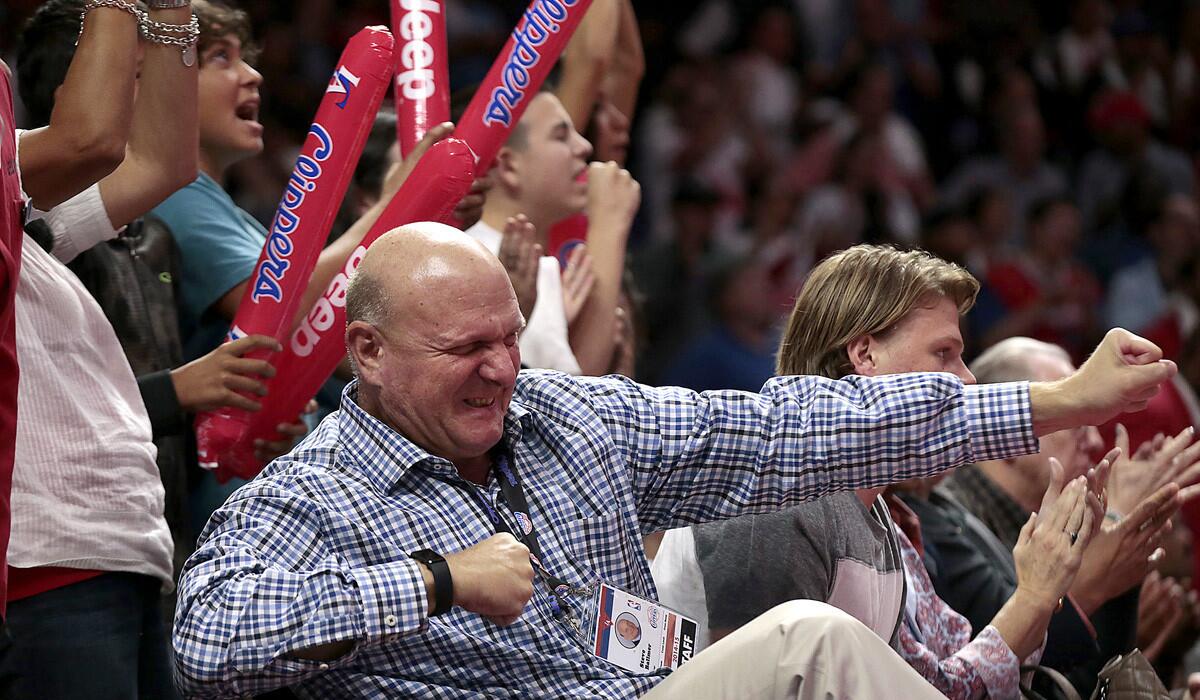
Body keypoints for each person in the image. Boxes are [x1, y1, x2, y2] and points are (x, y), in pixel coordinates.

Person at [172, 222, 1175, 698]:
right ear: (370, 356)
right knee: (805, 643)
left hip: (645, 690)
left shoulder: (567, 418)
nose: (497, 372)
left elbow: (778, 430)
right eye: (462, 351)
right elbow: (206, 643)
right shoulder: (315, 488)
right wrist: (435, 582)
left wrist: (1049, 403)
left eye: (509, 341)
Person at [653, 244, 1108, 698]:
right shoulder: (777, 498)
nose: (968, 379)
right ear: (865, 356)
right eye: (944, 353)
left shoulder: (880, 517)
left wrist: (1041, 592)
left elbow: (934, 687)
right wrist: (1034, 597)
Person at [468, 88, 640, 376]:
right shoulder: (484, 259)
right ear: (509, 165)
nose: (584, 146)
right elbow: (578, 395)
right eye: (561, 136)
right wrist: (610, 223)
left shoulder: (521, 257)